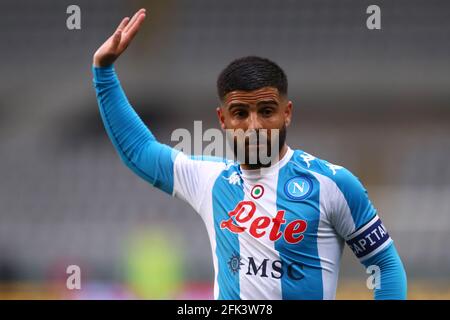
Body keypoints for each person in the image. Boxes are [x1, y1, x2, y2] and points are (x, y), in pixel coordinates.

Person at [92, 8, 407, 300]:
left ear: (287, 113)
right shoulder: (211, 180)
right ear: (223, 119)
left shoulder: (333, 184)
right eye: (240, 113)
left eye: (266, 111)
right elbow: (140, 151)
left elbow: (385, 267)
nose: (254, 125)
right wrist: (103, 72)